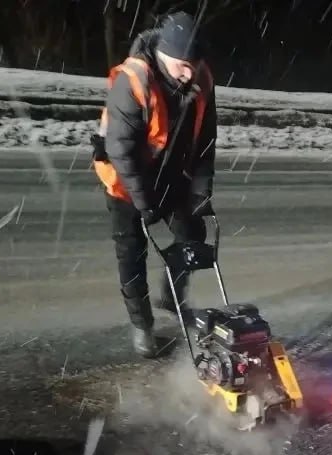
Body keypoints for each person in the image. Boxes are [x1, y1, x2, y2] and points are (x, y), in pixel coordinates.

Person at [92, 11, 217, 358]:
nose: (188, 72)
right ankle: (143, 329)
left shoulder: (201, 79)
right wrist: (143, 203)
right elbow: (121, 150)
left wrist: (201, 192)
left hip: (173, 175)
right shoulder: (132, 81)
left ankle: (174, 298)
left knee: (192, 236)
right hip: (125, 181)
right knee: (132, 255)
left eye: (194, 63)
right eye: (181, 65)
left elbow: (206, 142)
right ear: (163, 55)